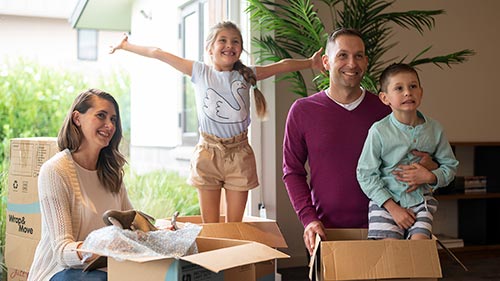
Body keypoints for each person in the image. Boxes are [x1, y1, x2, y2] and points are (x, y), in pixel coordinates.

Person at [110, 21, 324, 223]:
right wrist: (126, 46)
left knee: (233, 226)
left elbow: (281, 66)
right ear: (210, 48)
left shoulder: (246, 75)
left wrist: (311, 63)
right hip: (208, 152)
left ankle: (234, 262)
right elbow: (158, 53)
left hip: (239, 154)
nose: (229, 45)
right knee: (211, 226)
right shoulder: (200, 72)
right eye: (223, 40)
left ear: (240, 49)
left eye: (235, 41)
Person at [282, 28, 438, 255]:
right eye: (342, 55)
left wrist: (430, 166)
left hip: (388, 228)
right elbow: (292, 172)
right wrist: (309, 220)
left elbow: (423, 158)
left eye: (359, 56)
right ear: (326, 62)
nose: (352, 64)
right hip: (327, 232)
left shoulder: (387, 109)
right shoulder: (302, 111)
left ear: (366, 62)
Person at [28, 89, 133, 281]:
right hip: (60, 272)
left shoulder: (111, 172)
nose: (110, 125)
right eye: (101, 116)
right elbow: (62, 251)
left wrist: (158, 234)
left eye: (114, 120)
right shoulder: (55, 171)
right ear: (77, 118)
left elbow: (131, 227)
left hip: (107, 270)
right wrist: (104, 249)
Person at [356, 63, 458, 240]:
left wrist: (430, 177)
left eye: (413, 86)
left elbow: (450, 167)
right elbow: (365, 174)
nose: (407, 93)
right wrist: (392, 208)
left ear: (421, 92)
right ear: (384, 98)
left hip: (421, 202)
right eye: (399, 88)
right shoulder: (378, 131)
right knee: (390, 254)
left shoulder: (435, 129)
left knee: (419, 248)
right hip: (386, 204)